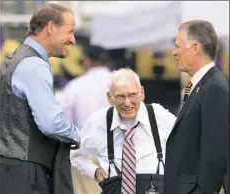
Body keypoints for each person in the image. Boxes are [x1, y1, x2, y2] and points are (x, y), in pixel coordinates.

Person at [0, 3, 80, 194]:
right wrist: (79, 135)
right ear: (51, 27)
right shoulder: (34, 65)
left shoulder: (12, 60)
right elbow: (50, 123)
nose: (73, 39)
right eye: (69, 31)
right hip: (23, 175)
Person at [70, 68, 176, 194]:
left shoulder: (160, 117)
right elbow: (75, 154)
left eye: (132, 95)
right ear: (110, 97)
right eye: (120, 97)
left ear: (141, 93)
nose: (127, 102)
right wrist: (94, 171)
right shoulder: (99, 121)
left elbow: (187, 149)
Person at [164, 20, 229, 194]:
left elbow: (215, 154)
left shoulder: (214, 87)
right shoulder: (202, 85)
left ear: (195, 48)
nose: (174, 52)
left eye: (178, 46)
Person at [57, 45, 112, 194]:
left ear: (87, 61)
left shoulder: (75, 87)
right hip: (118, 156)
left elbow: (63, 125)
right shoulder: (122, 83)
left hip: (85, 157)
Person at [58, 45, 112, 129]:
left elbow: (65, 121)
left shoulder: (74, 86)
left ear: (86, 61)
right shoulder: (123, 81)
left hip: (84, 139)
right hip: (118, 140)